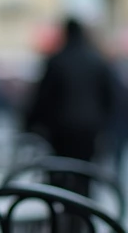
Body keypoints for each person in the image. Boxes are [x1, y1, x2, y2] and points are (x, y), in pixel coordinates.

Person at [24, 18, 116, 198]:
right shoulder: (96, 60)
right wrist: (103, 122)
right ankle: (83, 206)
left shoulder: (57, 61)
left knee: (61, 174)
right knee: (85, 172)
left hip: (61, 129)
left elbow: (43, 98)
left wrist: (31, 123)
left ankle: (65, 207)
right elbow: (109, 97)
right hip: (89, 128)